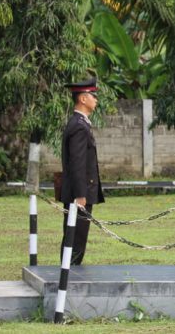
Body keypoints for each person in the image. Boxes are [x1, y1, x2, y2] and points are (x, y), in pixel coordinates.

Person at [60, 77, 104, 266]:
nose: (96, 100)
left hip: (81, 190)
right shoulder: (79, 125)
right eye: (93, 96)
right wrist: (80, 194)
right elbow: (77, 163)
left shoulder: (80, 122)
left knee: (75, 234)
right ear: (83, 99)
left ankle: (69, 269)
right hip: (80, 193)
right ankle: (70, 273)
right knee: (76, 235)